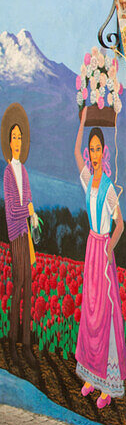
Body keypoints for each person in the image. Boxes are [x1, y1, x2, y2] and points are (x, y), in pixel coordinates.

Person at [73, 108, 126, 408]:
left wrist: (110, 248)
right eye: (91, 149)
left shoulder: (107, 187)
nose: (93, 154)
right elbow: (75, 155)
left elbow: (120, 223)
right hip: (90, 249)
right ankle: (92, 376)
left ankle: (108, 384)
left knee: (104, 313)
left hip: (103, 252)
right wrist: (82, 123)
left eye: (97, 149)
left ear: (103, 151)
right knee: (90, 312)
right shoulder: (86, 178)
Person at [2, 103, 37, 365]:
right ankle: (13, 342)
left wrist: (33, 214)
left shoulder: (23, 170)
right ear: (8, 141)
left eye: (20, 137)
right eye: (13, 137)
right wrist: (29, 210)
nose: (17, 142)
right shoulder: (7, 173)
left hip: (26, 233)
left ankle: (26, 344)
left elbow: (29, 200)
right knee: (19, 283)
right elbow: (13, 209)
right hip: (16, 234)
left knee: (28, 287)